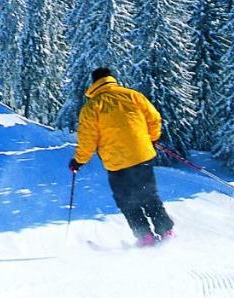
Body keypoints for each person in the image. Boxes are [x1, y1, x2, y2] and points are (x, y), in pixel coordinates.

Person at [68, 67, 175, 247]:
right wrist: (152, 138)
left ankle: (145, 237)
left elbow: (88, 140)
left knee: (127, 200)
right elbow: (154, 119)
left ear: (94, 83)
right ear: (112, 79)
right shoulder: (133, 95)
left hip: (117, 163)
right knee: (149, 195)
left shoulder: (92, 107)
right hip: (142, 156)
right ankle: (166, 231)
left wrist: (78, 161)